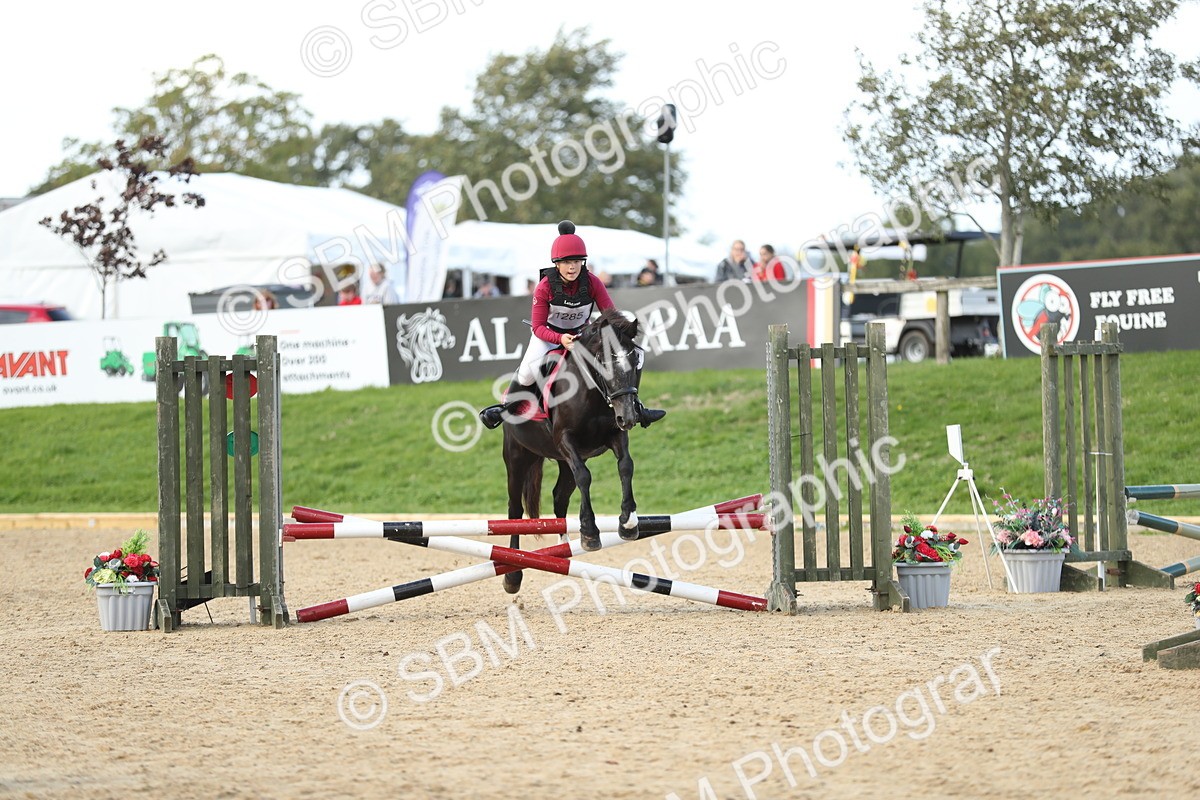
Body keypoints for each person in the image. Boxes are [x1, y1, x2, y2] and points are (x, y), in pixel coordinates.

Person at [478, 220, 667, 430]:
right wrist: (560, 339)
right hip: (548, 336)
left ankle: (637, 408)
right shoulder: (544, 287)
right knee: (526, 373)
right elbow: (538, 327)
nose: (572, 267)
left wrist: (623, 331)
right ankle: (505, 409)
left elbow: (610, 314)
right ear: (556, 264)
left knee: (624, 359)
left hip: (581, 336)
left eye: (577, 261)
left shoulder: (593, 282)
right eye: (566, 262)